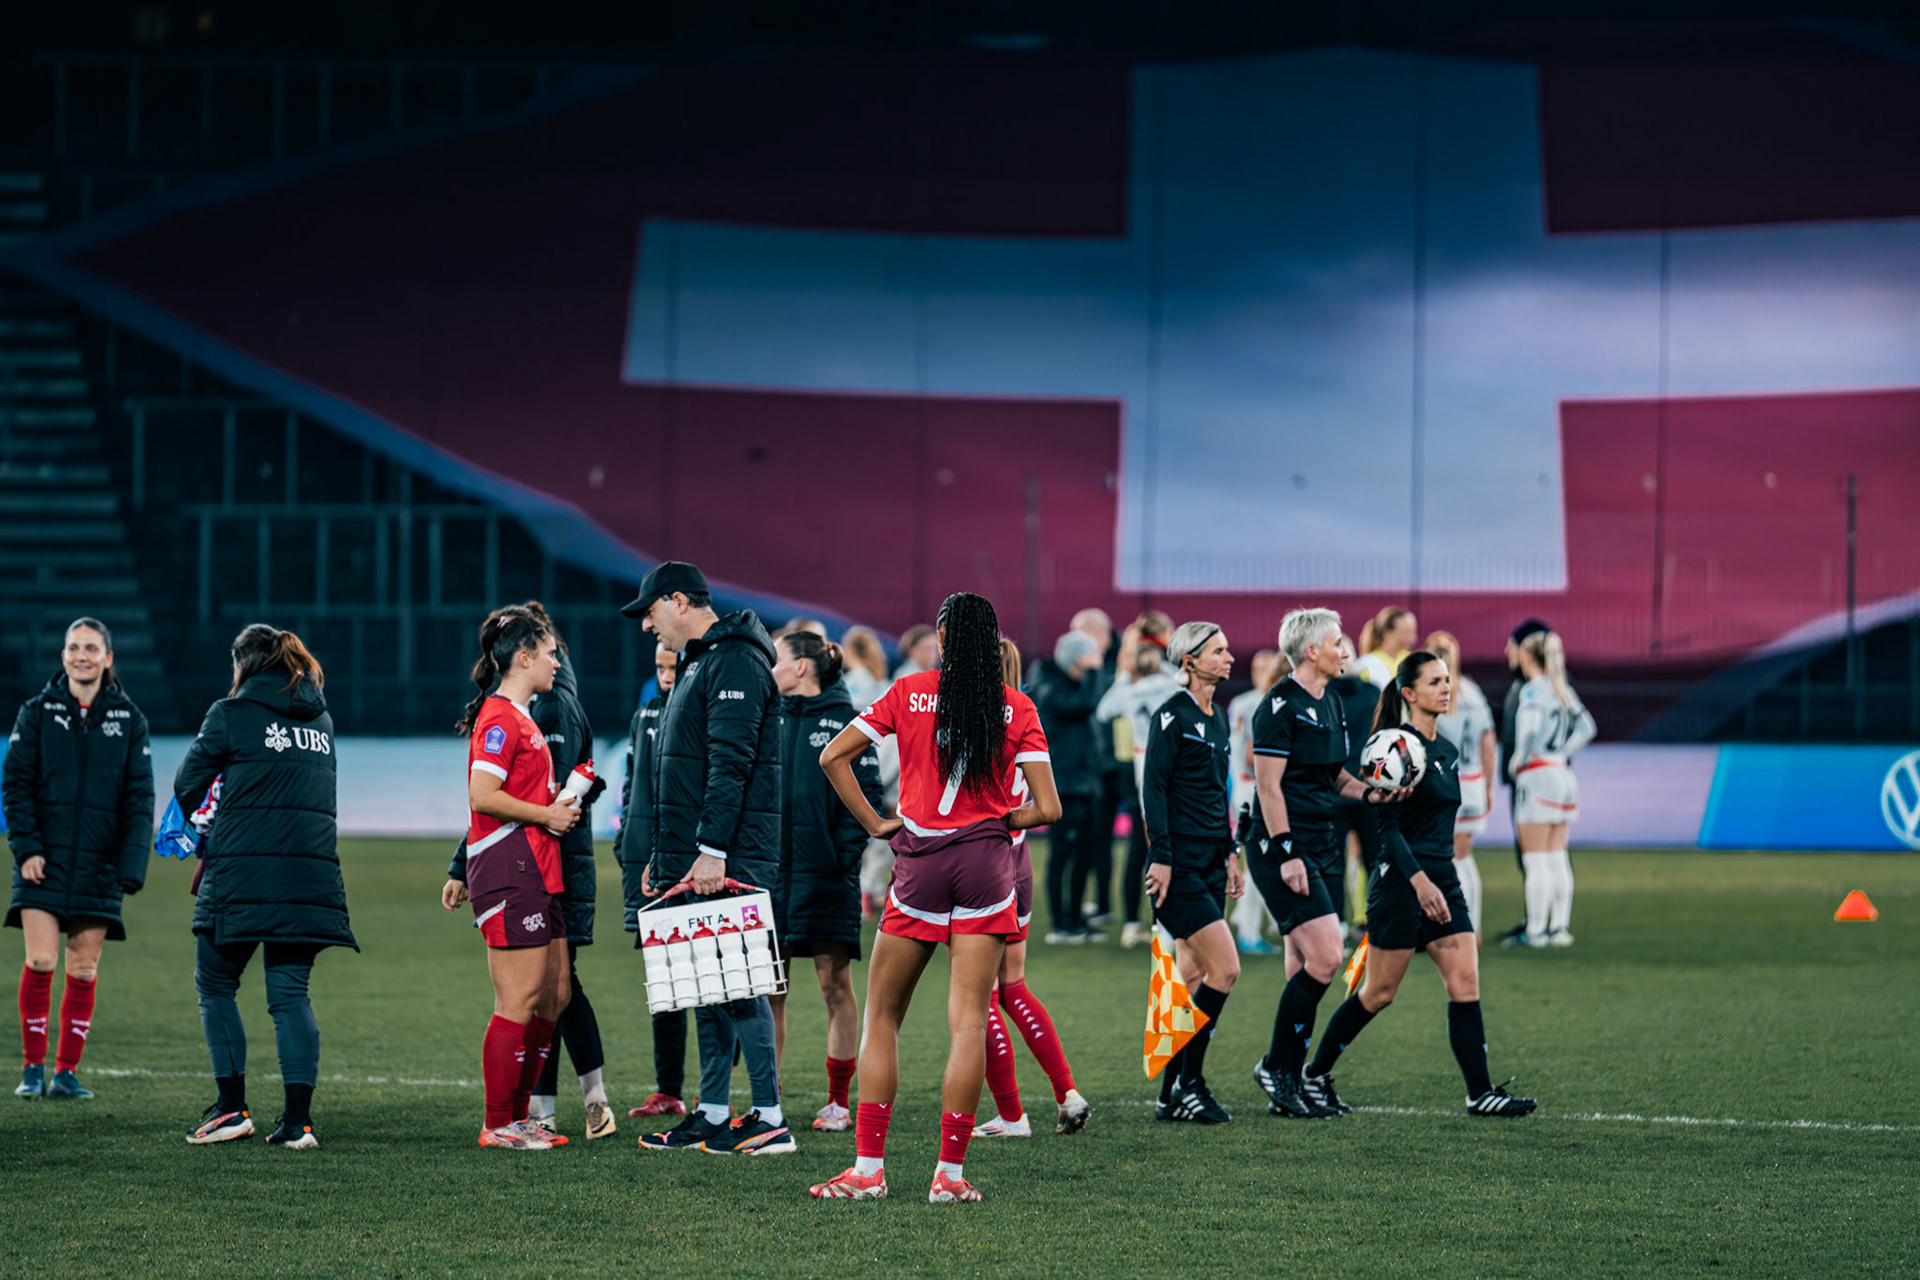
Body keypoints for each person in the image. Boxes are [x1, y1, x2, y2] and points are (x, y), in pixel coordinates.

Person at [808, 591, 1061, 1204]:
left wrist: (875, 822)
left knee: (883, 1017)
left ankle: (868, 1171)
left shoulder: (909, 690)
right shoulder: (1017, 705)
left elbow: (833, 756)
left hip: (920, 862)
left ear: (943, 640)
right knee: (970, 1020)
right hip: (986, 867)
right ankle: (949, 1175)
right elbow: (1048, 809)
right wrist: (1004, 817)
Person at [1302, 650, 1537, 1118]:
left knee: (1465, 980)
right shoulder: (1393, 748)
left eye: (1447, 680)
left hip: (1442, 878)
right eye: (1434, 682)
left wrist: (1438, 879)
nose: (1446, 688)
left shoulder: (1446, 749)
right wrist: (1420, 882)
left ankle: (1480, 1093)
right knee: (1379, 993)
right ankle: (1313, 1075)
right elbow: (1385, 830)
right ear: (1408, 693)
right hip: (1401, 883)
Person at [625, 562, 792, 1156]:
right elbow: (686, 770)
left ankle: (770, 1117)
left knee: (740, 987)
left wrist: (712, 851)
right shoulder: (705, 660)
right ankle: (715, 1112)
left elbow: (731, 763)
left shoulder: (736, 660)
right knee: (706, 986)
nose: (647, 627)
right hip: (695, 854)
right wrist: (667, 855)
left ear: (679, 600)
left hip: (731, 855)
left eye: (650, 612)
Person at [176, 624, 357, 1148]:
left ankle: (232, 1111)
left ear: (242, 664)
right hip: (309, 874)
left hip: (240, 873)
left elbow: (187, 786)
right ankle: (298, 1124)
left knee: (215, 984)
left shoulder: (228, 714)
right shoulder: (320, 720)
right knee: (290, 995)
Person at [443, 602, 614, 1140]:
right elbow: (482, 795)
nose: (556, 662)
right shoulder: (498, 718)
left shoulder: (523, 718)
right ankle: (500, 1123)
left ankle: (521, 1118)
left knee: (554, 995)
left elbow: (519, 792)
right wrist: (547, 812)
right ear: (522, 657)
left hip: (539, 868)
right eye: (548, 653)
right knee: (517, 999)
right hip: (510, 865)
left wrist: (563, 799)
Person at [1245, 608, 1405, 1119]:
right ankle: (1276, 1066)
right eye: (1337, 642)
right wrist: (1287, 850)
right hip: (1283, 847)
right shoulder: (1278, 706)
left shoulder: (1332, 700)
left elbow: (1335, 776)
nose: (1347, 650)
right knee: (1328, 958)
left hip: (1323, 843)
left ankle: (1288, 1085)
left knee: (1302, 962)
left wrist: (1374, 794)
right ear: (1311, 651)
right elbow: (1269, 786)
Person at [5, 617, 153, 1101]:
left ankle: (66, 1072)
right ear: (63, 657)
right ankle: (31, 1068)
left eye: (91, 647)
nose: (82, 655)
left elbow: (139, 799)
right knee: (42, 958)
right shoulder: (36, 712)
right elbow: (15, 787)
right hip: (41, 864)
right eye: (73, 647)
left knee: (84, 969)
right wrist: (26, 849)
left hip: (99, 866)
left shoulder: (130, 721)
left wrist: (131, 866)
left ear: (108, 658)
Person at [975, 638, 1092, 1141]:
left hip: (984, 863)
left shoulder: (977, 721)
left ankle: (1010, 1114)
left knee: (976, 998)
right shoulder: (1026, 714)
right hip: (1020, 863)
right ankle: (1067, 1093)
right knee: (1014, 987)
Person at [768, 630, 882, 1133]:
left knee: (834, 986)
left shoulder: (848, 722)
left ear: (800, 668)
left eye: (775, 658)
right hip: (770, 878)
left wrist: (841, 859)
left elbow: (871, 797)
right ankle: (766, 1099)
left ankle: (838, 1103)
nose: (768, 667)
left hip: (827, 877)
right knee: (769, 989)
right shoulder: (765, 717)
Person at [1143, 621, 1243, 1125]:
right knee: (1226, 969)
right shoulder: (1170, 717)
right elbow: (1154, 789)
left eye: (1226, 650)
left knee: (1192, 976)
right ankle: (1191, 1082)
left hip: (1209, 860)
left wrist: (1231, 852)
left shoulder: (1220, 717)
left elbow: (1217, 793)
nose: (1229, 657)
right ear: (1189, 660)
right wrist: (1161, 855)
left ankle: (1168, 1096)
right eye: (1217, 651)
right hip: (1177, 866)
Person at [619, 645, 689, 1119]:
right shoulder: (645, 712)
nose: (665, 677)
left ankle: (718, 1094)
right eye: (660, 667)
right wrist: (629, 841)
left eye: (673, 668)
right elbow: (631, 783)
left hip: (689, 867)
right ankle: (668, 1090)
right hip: (645, 864)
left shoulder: (699, 714)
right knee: (663, 982)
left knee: (708, 985)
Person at [1505, 626, 1596, 949]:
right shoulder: (1561, 688)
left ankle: (1536, 931)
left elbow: (1528, 729)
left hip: (1538, 775)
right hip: (1562, 774)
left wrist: (1518, 758)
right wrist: (1562, 754)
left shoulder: (1532, 691)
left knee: (1535, 859)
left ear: (1528, 656)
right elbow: (1587, 727)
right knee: (1557, 855)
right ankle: (1559, 927)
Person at [1095, 619, 1179, 948]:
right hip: (1172, 764)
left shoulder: (1127, 687)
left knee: (1140, 846)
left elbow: (1103, 712)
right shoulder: (1173, 680)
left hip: (1139, 765)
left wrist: (1125, 678)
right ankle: (1168, 925)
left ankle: (1133, 922)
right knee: (1169, 844)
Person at [1028, 628, 1110, 943]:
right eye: (1090, 655)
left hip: (1087, 780)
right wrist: (1092, 670)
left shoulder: (1073, 685)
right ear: (1075, 657)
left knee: (1086, 853)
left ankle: (1076, 919)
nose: (1096, 662)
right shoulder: (1049, 685)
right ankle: (1060, 923)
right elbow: (1087, 703)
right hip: (1062, 782)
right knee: (1062, 853)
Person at [1428, 630, 1495, 940]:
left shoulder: (1435, 695)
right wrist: (1488, 786)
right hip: (1473, 781)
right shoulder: (1471, 692)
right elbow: (1488, 741)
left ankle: (1459, 927)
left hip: (1449, 785)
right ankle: (1473, 926)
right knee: (1464, 855)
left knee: (1450, 857)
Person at [1227, 649, 1283, 956]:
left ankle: (1251, 922)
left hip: (1249, 789)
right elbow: (1251, 753)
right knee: (1258, 861)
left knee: (1262, 859)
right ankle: (1248, 932)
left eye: (1267, 666)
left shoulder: (1243, 702)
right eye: (1258, 666)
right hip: (1254, 789)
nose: (1262, 671)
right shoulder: (1256, 704)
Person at [1327, 636, 1382, 931]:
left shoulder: (1320, 697)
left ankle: (1338, 924)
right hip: (1367, 789)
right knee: (1375, 862)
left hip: (1331, 792)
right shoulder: (1373, 693)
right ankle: (1380, 921)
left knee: (1333, 865)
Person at [1355, 607, 1417, 690]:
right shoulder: (1366, 664)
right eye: (1406, 631)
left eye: (1412, 632)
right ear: (1387, 633)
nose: (1413, 637)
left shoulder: (1412, 660)